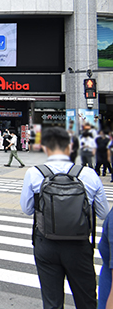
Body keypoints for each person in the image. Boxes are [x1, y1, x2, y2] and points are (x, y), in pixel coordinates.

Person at [20, 127, 109, 309]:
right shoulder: (88, 174)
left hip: (46, 244)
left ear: (45, 148)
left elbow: (27, 209)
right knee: (86, 299)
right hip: (79, 245)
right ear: (70, 147)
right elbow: (104, 213)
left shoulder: (34, 173)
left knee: (52, 302)